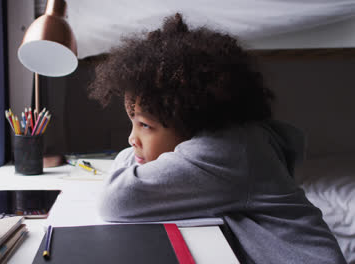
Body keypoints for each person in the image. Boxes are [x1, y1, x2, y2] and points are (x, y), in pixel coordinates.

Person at [87, 13, 346, 264]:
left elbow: (116, 200)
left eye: (144, 125)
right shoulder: (243, 140)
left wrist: (126, 158)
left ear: (190, 119)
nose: (132, 139)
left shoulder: (225, 152)